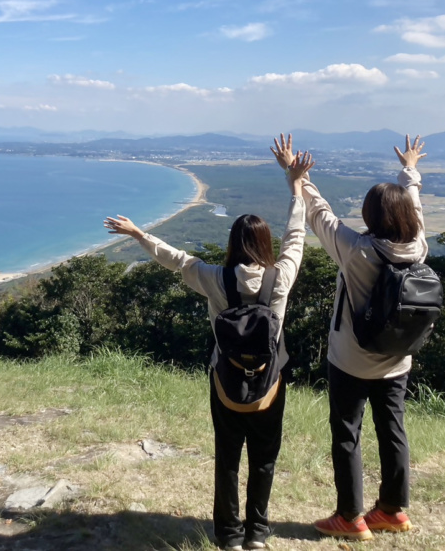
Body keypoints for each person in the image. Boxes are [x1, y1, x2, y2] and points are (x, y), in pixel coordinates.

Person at [104, 150, 314, 551]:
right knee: (264, 460)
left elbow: (174, 258)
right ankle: (258, 534)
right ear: (265, 244)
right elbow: (297, 238)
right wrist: (296, 187)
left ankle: (229, 537)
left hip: (225, 380)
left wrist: (137, 233)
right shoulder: (281, 276)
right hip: (270, 385)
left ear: (233, 244)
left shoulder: (215, 278)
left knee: (228, 460)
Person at [271, 133, 427, 541]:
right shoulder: (419, 244)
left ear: (372, 217)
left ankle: (350, 516)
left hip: (351, 360)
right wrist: (410, 170)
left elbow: (318, 213)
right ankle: (393, 510)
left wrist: (296, 176)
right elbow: (414, 205)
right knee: (393, 430)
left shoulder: (357, 251)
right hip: (397, 359)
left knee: (347, 433)